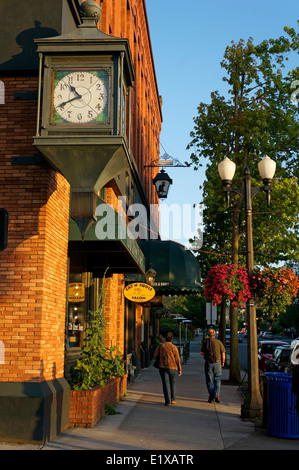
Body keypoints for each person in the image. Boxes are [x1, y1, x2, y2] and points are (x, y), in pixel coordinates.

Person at [153, 331, 182, 406]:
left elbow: (155, 355)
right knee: (173, 382)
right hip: (172, 367)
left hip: (162, 366)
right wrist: (179, 369)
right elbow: (177, 359)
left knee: (165, 384)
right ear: (172, 339)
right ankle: (173, 399)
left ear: (165, 338)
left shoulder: (161, 346)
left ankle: (167, 400)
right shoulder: (174, 347)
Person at [200, 328, 226, 403]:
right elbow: (223, 353)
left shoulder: (205, 342)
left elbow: (201, 353)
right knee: (217, 379)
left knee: (209, 381)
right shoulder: (219, 342)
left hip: (208, 363)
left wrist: (207, 353)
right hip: (218, 363)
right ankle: (216, 394)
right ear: (214, 335)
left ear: (208, 335)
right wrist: (223, 361)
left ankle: (211, 397)